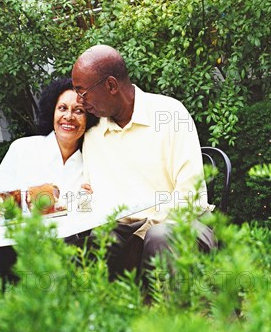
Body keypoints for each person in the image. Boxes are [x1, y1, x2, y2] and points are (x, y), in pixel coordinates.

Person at [71, 45, 216, 279]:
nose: (79, 101)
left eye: (82, 92)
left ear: (111, 85)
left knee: (160, 237)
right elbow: (92, 198)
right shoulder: (93, 133)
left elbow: (189, 195)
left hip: (185, 222)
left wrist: (141, 236)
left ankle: (182, 314)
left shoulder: (169, 114)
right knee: (80, 249)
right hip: (121, 231)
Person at [0, 77, 99, 305]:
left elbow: (90, 216)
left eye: (79, 110)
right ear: (51, 111)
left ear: (89, 118)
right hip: (7, 244)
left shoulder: (90, 163)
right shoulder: (23, 148)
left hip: (57, 251)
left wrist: (85, 201)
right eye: (62, 108)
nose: (69, 117)